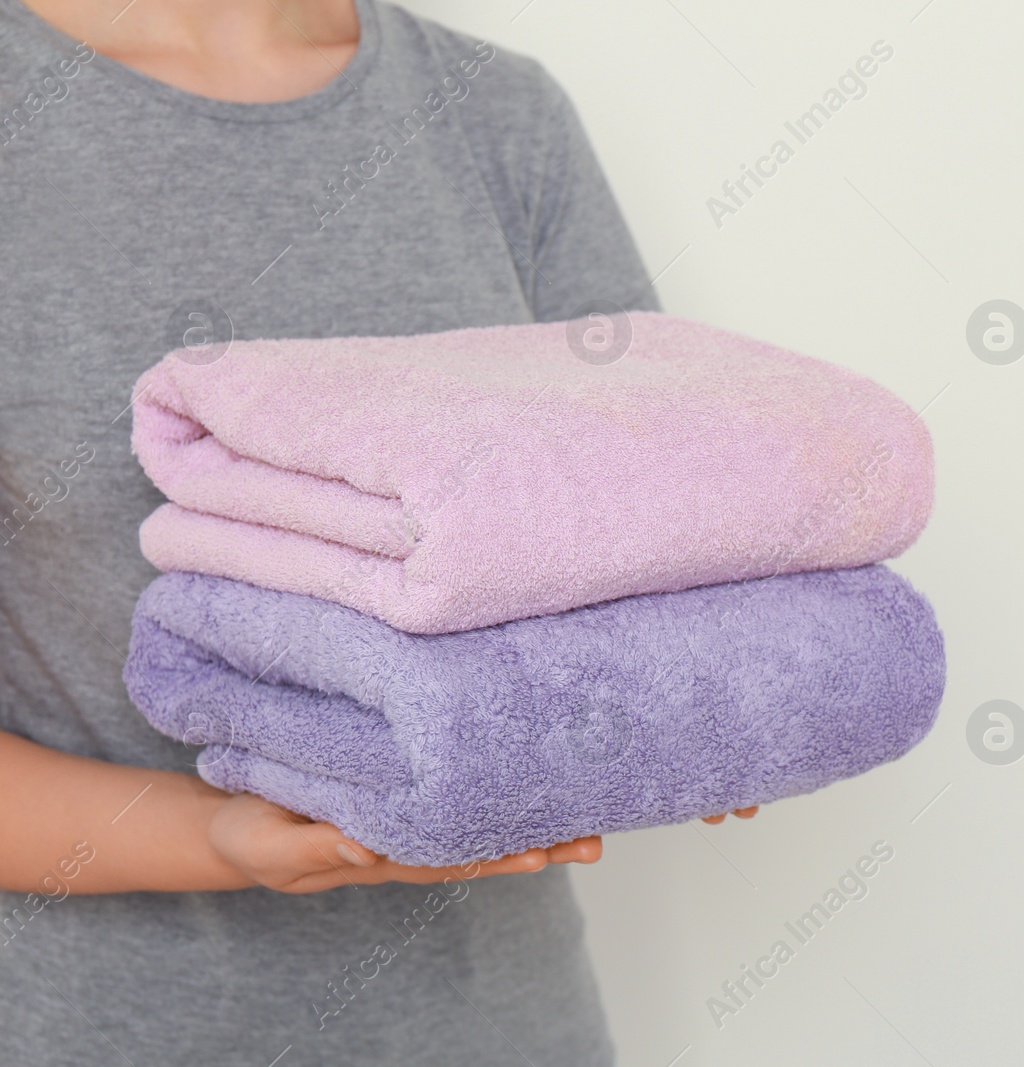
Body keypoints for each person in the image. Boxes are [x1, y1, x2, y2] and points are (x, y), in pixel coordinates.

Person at [0, 0, 752, 1061]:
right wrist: (218, 834)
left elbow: (652, 527)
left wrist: (709, 707)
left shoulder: (498, 116)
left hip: (502, 1026)